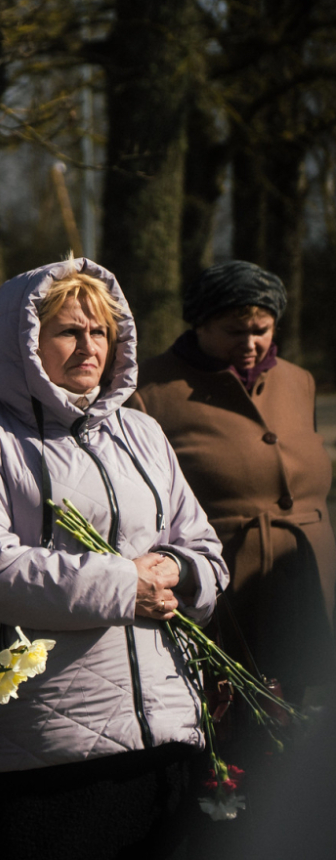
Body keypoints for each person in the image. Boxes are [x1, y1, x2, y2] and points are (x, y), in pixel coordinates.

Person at [0, 258, 229, 860]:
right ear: (24, 343)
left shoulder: (141, 432)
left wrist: (174, 571)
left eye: (100, 332)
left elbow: (206, 551)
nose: (89, 346)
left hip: (166, 729)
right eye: (68, 331)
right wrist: (124, 583)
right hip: (44, 745)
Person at [130, 261, 336, 701]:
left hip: (313, 582)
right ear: (200, 325)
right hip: (228, 587)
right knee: (244, 728)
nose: (251, 343)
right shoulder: (150, 390)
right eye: (233, 331)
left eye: (261, 329)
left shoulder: (298, 381)